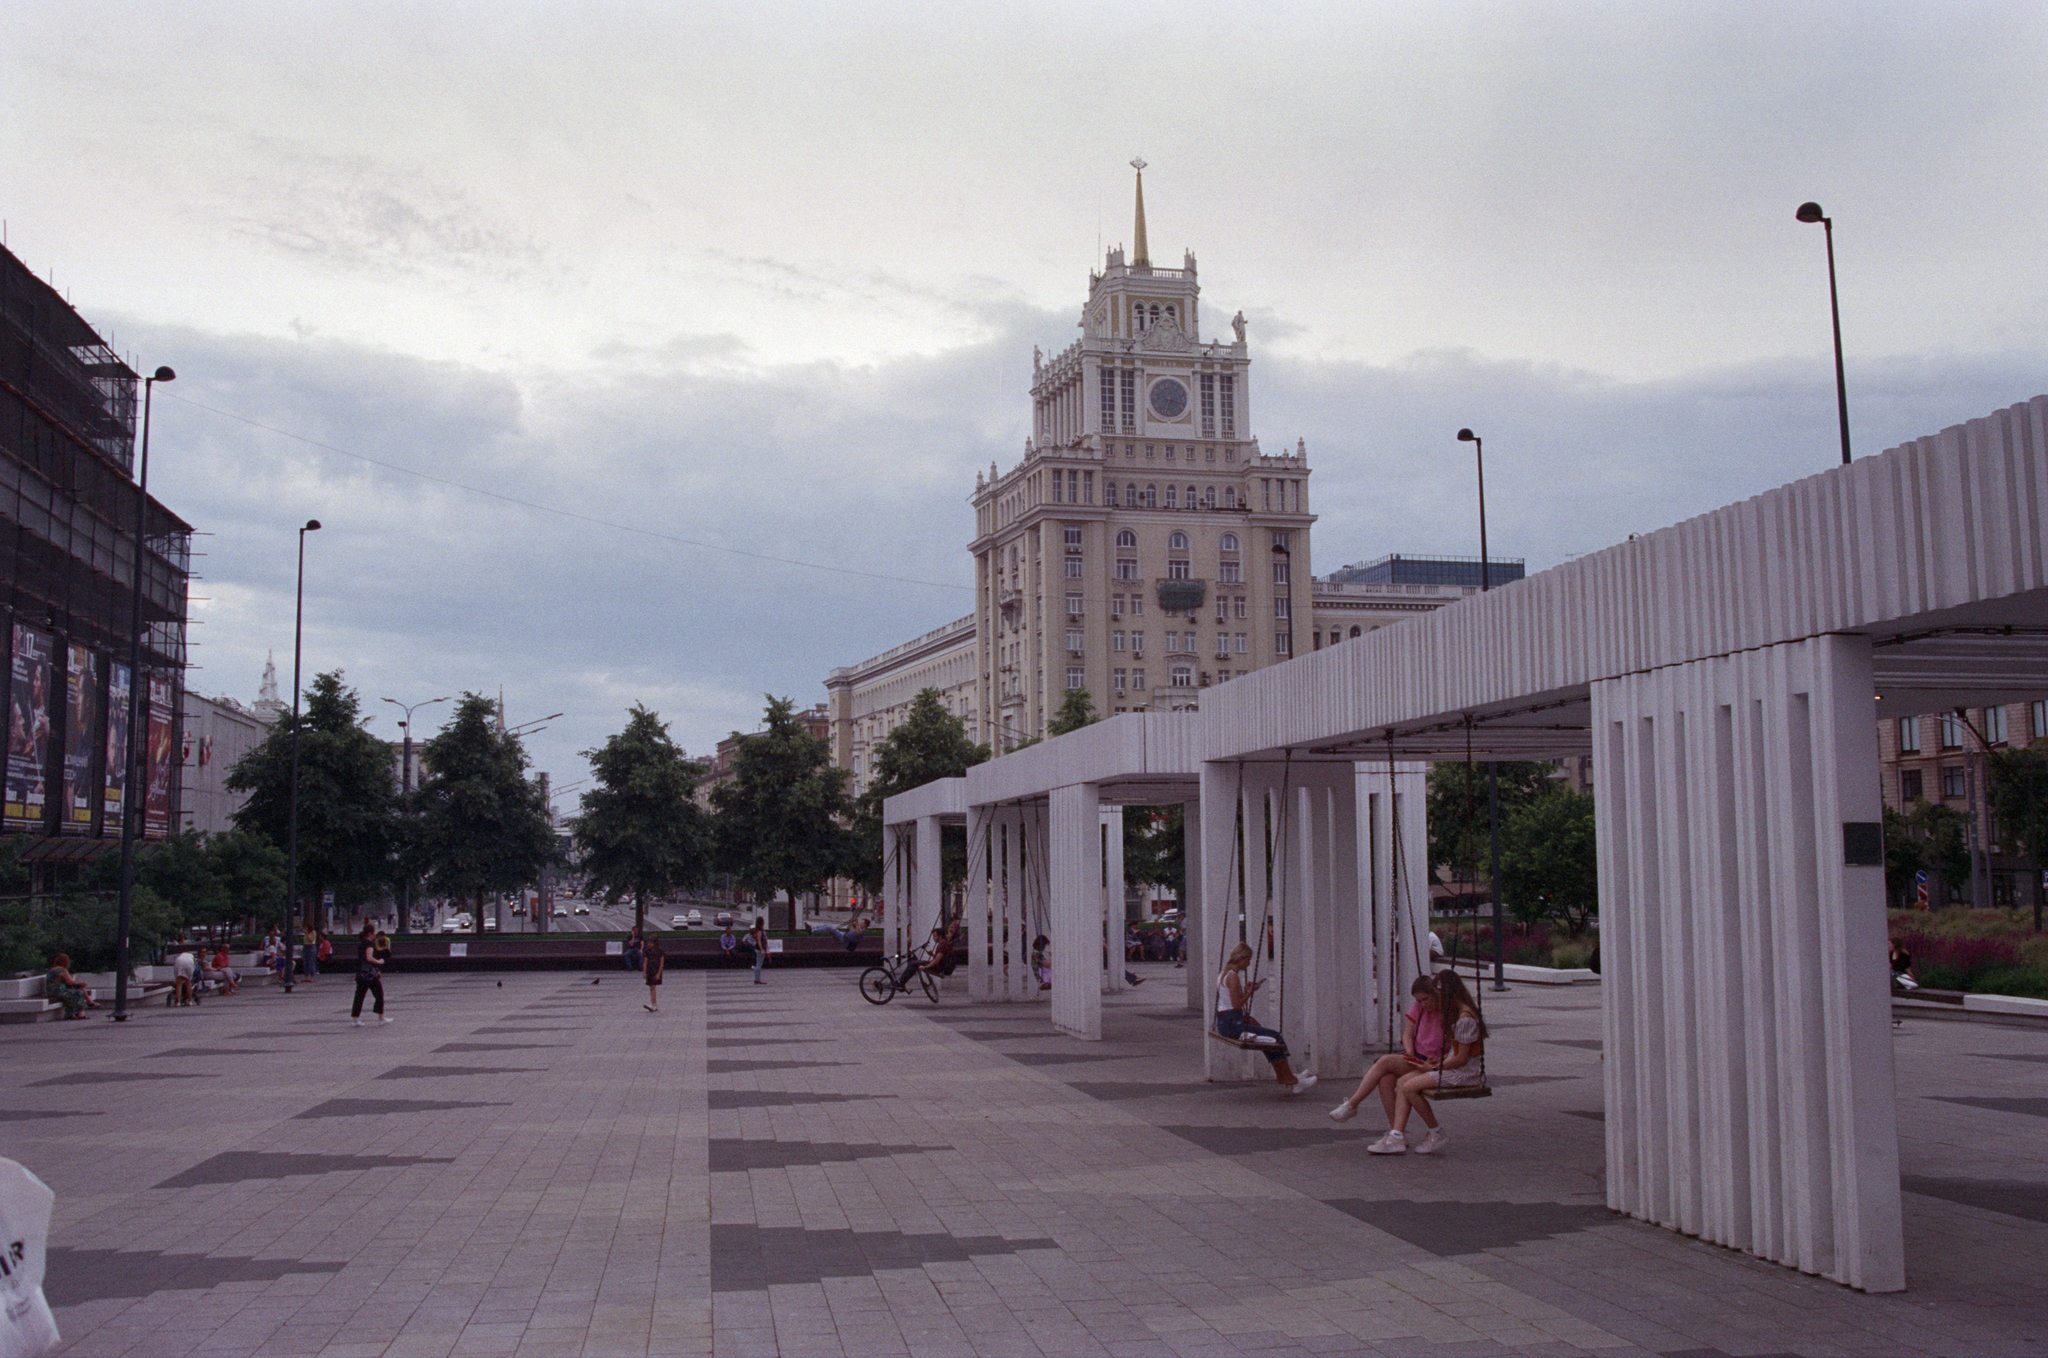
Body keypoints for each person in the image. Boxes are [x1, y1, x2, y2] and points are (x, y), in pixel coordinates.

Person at [1370, 970, 1487, 1155]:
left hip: (1465, 1073)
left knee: (1409, 1087)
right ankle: (1397, 1136)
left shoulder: (1465, 1018)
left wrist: (1433, 1067)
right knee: (1402, 1082)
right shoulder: (1458, 1014)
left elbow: (1462, 1059)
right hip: (1453, 1067)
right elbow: (1457, 1054)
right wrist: (1439, 1060)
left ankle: (1435, 1131)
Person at [1331, 975, 1443, 1125]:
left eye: (1425, 999)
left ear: (1435, 994)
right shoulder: (1419, 1008)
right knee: (1385, 1080)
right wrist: (1409, 1051)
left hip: (1432, 1062)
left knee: (1384, 1061)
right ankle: (1396, 1132)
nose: (1422, 1004)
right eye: (1419, 1000)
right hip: (1418, 1057)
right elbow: (1408, 1034)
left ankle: (1352, 1104)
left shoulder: (1445, 1012)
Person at [1215, 942, 1316, 1094]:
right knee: (1274, 1036)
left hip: (1226, 1022)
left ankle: (1287, 1076)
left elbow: (1230, 998)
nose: (1249, 963)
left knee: (1268, 1039)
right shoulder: (1233, 977)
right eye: (1248, 960)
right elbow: (1236, 1005)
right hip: (1233, 1024)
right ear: (1241, 958)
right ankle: (1291, 1079)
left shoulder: (1224, 974)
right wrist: (1250, 992)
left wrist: (1246, 989)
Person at [350, 923, 391, 1026]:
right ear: (370, 933)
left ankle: (355, 1019)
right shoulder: (369, 944)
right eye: (373, 932)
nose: (374, 934)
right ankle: (381, 1018)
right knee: (379, 994)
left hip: (361, 974)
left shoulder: (361, 944)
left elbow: (362, 959)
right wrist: (379, 962)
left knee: (359, 996)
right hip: (369, 975)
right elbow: (369, 958)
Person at [44, 954, 93, 1019]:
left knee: (72, 994)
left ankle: (71, 1013)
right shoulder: (62, 970)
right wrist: (77, 980)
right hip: (59, 992)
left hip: (51, 992)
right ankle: (79, 1013)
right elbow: (70, 982)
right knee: (79, 993)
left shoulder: (52, 970)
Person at [642, 935, 665, 1011]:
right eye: (648, 942)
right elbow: (645, 962)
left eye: (651, 943)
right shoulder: (647, 951)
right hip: (650, 970)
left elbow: (661, 963)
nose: (649, 944)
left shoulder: (660, 951)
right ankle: (653, 1004)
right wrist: (644, 972)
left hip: (656, 970)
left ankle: (653, 1004)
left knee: (653, 987)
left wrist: (659, 973)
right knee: (651, 987)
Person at [748, 916, 769, 984]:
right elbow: (759, 940)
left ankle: (757, 978)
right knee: (759, 964)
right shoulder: (759, 930)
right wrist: (761, 949)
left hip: (760, 948)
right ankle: (757, 979)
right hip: (760, 949)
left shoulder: (759, 930)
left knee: (758, 964)